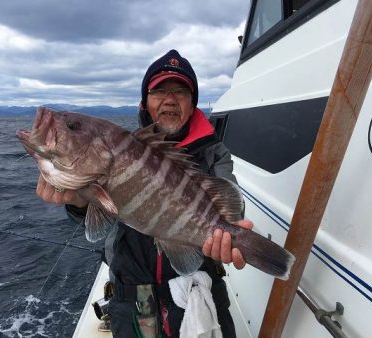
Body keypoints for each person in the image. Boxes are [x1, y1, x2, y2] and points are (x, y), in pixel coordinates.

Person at [36, 49, 253, 337]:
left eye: (181, 91)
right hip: (131, 303)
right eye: (159, 91)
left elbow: (231, 208)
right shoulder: (119, 150)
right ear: (145, 102)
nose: (170, 100)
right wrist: (78, 201)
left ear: (192, 104)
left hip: (199, 292)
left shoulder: (215, 153)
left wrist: (231, 235)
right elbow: (99, 222)